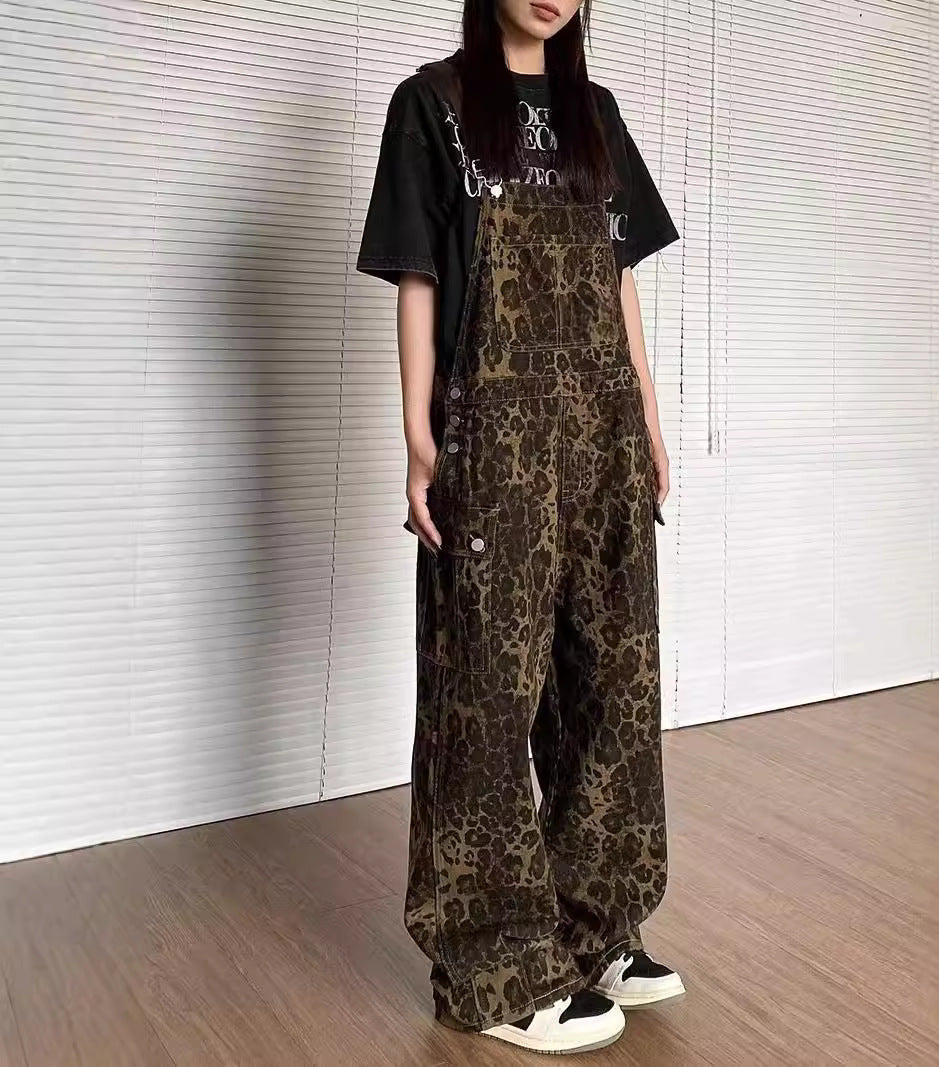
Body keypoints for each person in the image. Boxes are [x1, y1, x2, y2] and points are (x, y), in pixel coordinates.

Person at [357, 0, 682, 1054]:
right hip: (492, 433)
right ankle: (491, 965)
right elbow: (419, 272)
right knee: (487, 693)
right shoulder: (434, 105)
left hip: (600, 427)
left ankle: (592, 929)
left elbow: (616, 275)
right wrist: (420, 436)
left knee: (614, 682)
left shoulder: (597, 111)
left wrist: (644, 415)